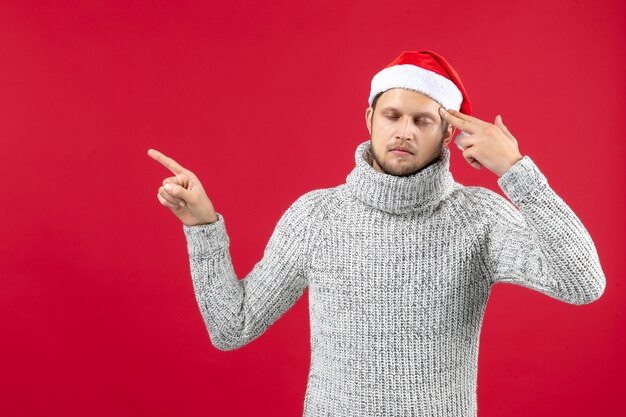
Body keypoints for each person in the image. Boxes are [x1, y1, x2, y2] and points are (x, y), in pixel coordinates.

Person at [148, 50, 606, 416]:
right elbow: (234, 326)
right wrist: (202, 227)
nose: (404, 131)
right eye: (392, 115)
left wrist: (515, 169)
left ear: (448, 133)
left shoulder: (480, 219)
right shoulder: (317, 216)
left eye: (422, 120)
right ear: (369, 119)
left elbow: (583, 282)